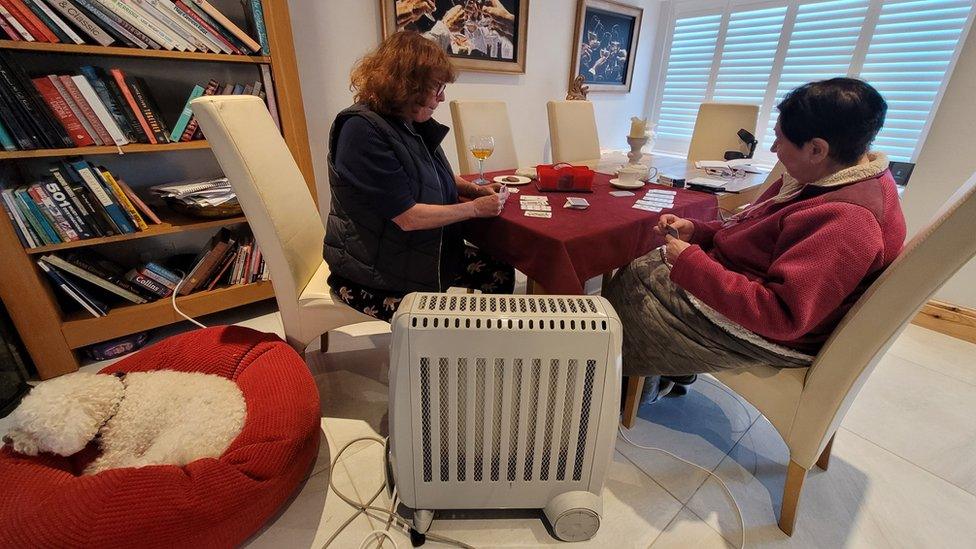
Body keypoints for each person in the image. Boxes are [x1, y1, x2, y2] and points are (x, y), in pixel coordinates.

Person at [603, 78, 907, 400]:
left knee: (634, 286)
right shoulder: (826, 175)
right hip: (749, 285)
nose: (774, 150)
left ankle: (626, 385)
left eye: (780, 141)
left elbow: (781, 316)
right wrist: (701, 231)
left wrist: (691, 261)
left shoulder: (848, 221)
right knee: (643, 266)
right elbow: (755, 232)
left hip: (771, 331)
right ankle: (662, 375)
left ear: (817, 149)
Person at [324, 31, 514, 322]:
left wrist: (476, 191)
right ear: (406, 85)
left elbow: (440, 178)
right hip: (374, 272)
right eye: (436, 87)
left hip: (415, 255)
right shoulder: (361, 130)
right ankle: (439, 359)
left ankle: (482, 347)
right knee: (442, 318)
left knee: (500, 270)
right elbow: (407, 217)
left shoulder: (407, 121)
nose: (442, 97)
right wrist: (475, 209)